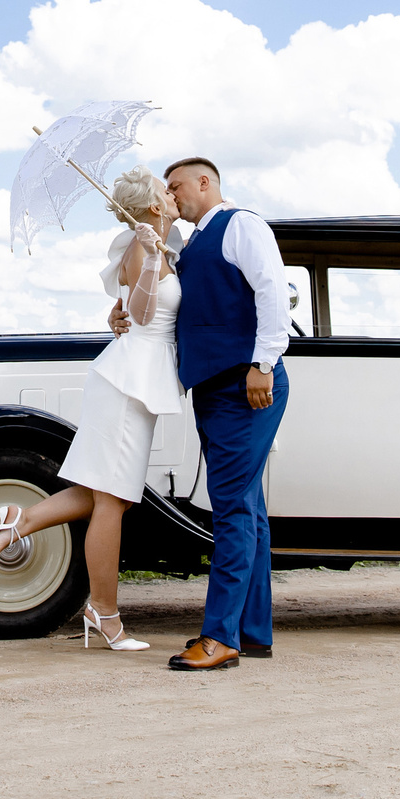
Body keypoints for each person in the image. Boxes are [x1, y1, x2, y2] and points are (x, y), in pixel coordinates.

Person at [0, 167, 185, 652]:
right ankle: (104, 613)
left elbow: (121, 313)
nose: (171, 193)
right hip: (126, 384)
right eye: (165, 189)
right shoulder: (143, 248)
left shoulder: (154, 244)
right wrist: (151, 262)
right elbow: (140, 313)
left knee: (104, 493)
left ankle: (18, 521)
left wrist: (152, 261)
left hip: (135, 378)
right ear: (154, 206)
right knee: (113, 500)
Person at [155, 156, 290, 672]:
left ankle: (220, 637)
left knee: (230, 508)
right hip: (214, 389)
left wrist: (262, 363)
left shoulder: (242, 226)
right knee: (248, 509)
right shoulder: (191, 244)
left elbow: (272, 293)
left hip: (245, 384)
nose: (172, 195)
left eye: (177, 186)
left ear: (205, 182)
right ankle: (251, 632)